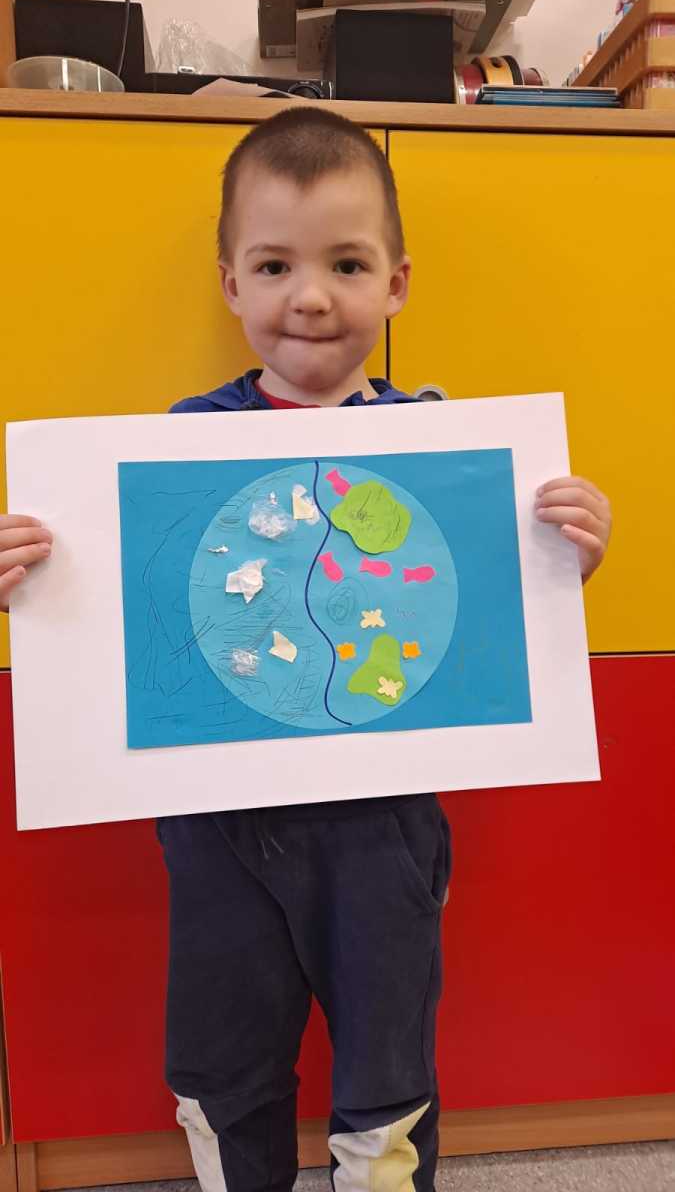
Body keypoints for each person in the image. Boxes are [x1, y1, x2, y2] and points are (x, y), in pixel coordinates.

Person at [0, 107, 612, 1192]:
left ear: (397, 283)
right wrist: (38, 581)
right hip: (217, 826)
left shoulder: (442, 448)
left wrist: (563, 554)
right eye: (275, 265)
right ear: (230, 285)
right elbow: (124, 620)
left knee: (388, 1068)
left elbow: (492, 618)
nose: (312, 297)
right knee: (223, 1060)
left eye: (347, 264)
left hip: (384, 830)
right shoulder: (172, 446)